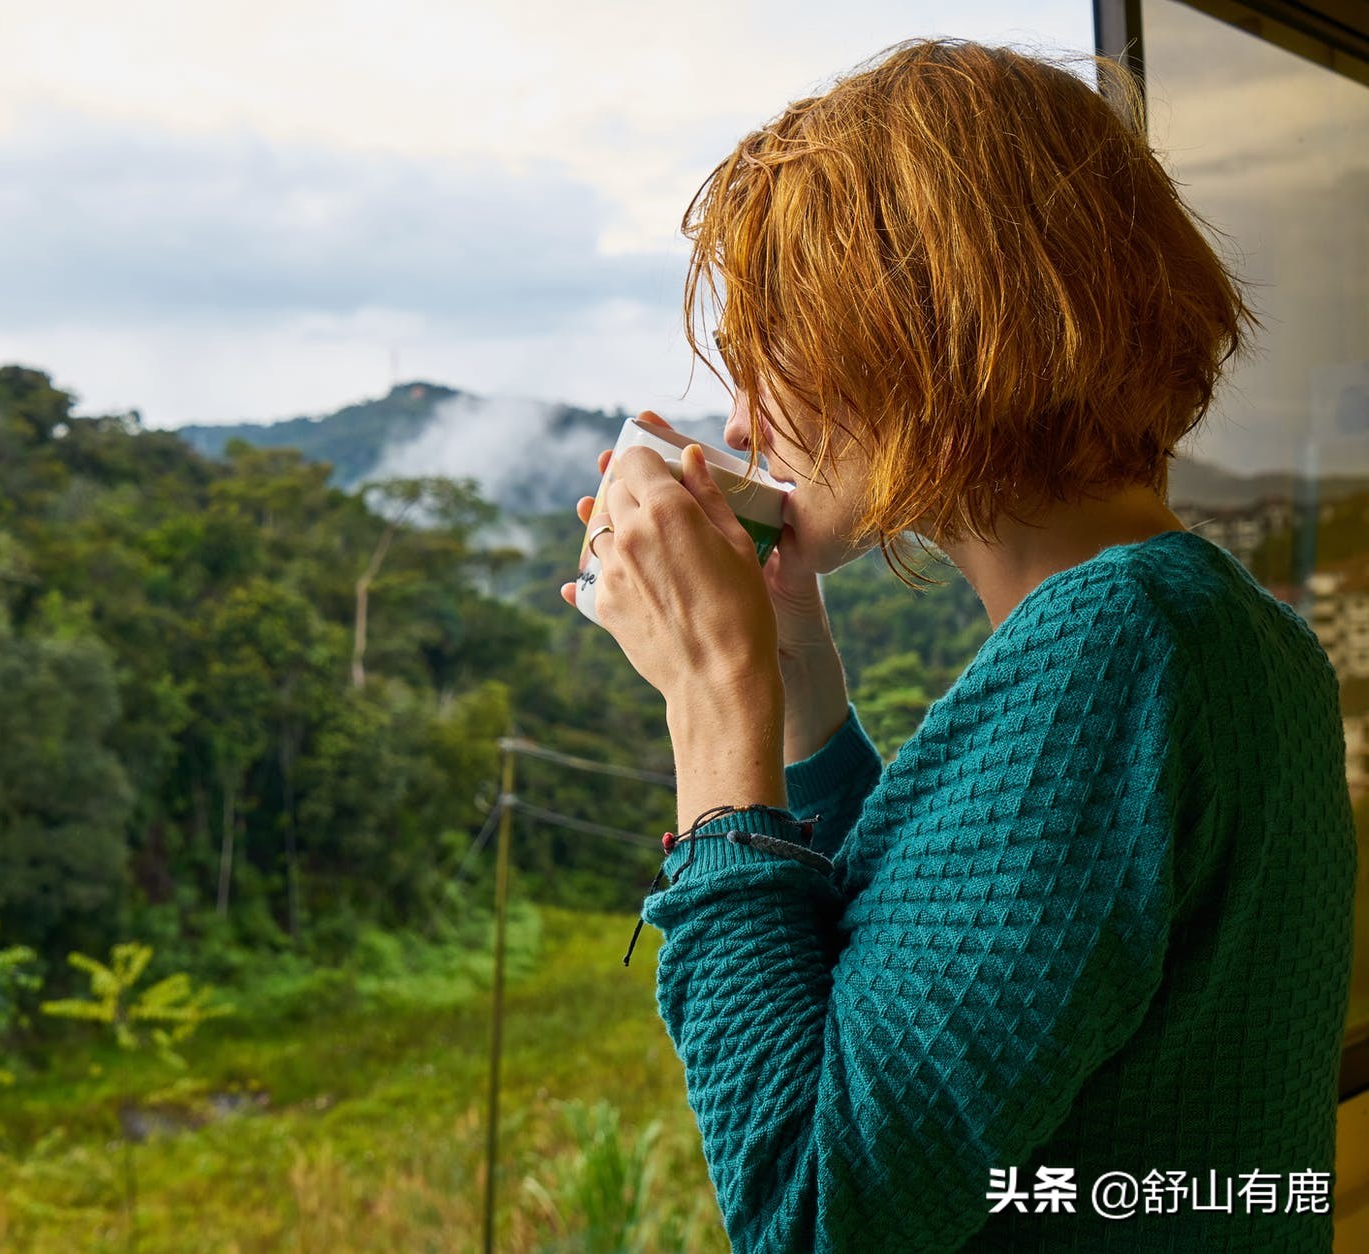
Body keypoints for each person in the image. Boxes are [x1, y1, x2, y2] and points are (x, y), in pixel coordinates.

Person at [558, 37, 1357, 1253]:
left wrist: (714, 707)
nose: (739, 421)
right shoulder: (1225, 633)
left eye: (769, 350)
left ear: (905, 331)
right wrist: (795, 681)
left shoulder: (1118, 648)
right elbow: (951, 959)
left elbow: (815, 1211)